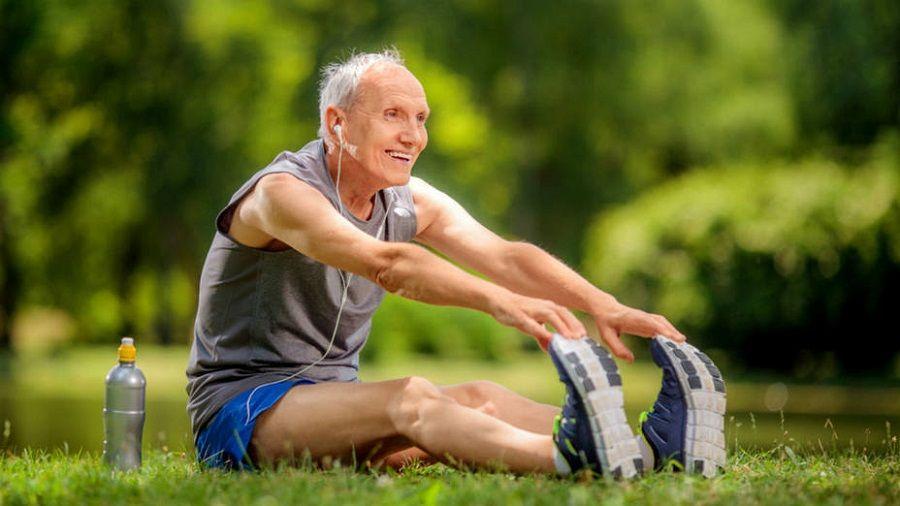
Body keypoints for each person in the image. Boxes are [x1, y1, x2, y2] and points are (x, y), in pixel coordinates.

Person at [185, 49, 726, 478]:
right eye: (393, 115)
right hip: (243, 412)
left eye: (420, 119)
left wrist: (602, 306)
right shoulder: (281, 193)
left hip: (334, 406)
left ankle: (649, 452)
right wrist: (500, 303)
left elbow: (504, 255)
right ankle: (574, 456)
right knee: (411, 397)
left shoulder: (404, 199)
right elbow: (388, 264)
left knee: (481, 399)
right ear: (338, 122)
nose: (412, 135)